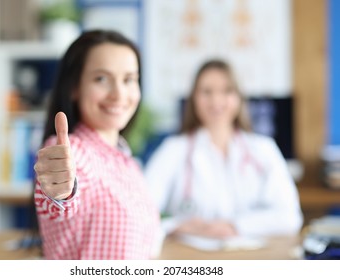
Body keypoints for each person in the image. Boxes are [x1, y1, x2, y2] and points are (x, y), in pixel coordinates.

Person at [33, 30, 160, 259]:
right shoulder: (73, 152)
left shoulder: (127, 162)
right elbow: (61, 196)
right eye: (101, 79)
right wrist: (60, 190)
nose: (119, 94)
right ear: (74, 87)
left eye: (129, 79)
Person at [145, 60, 303, 239]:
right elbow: (141, 211)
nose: (216, 101)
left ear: (238, 98)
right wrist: (176, 226)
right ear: (194, 99)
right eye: (206, 92)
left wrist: (234, 226)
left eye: (226, 91)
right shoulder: (173, 150)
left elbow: (290, 217)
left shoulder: (264, 149)